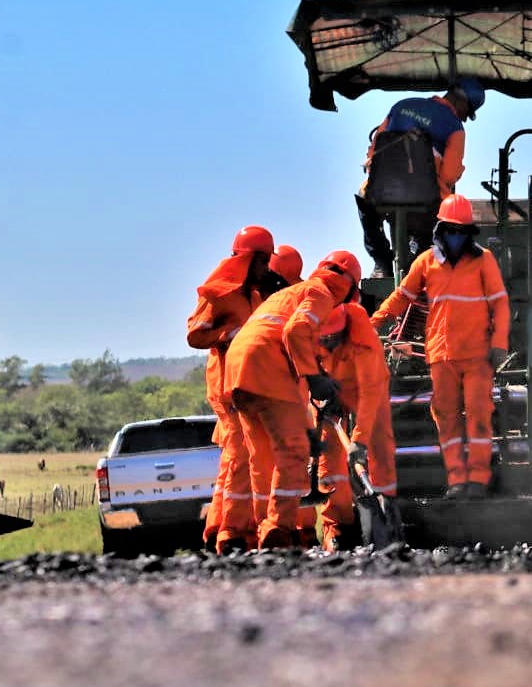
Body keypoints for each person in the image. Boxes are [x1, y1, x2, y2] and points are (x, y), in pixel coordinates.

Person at [371, 193, 509, 499]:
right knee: (446, 418)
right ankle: (458, 480)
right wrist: (373, 324)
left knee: (478, 416)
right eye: (451, 230)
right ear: (440, 231)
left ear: (470, 233)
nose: (457, 237)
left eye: (462, 231)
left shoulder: (484, 260)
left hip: (477, 355)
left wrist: (499, 343)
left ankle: (478, 481)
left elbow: (500, 302)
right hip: (442, 355)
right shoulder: (426, 262)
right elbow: (402, 296)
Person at [217, 259, 355, 552]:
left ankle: (264, 533)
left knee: (262, 458)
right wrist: (314, 378)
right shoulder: (321, 293)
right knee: (293, 452)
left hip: (238, 370)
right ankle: (279, 529)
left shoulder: (287, 294)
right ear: (348, 286)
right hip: (267, 366)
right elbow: (295, 331)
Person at [186, 225, 275, 550]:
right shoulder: (220, 294)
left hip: (246, 386)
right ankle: (232, 535)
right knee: (239, 458)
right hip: (227, 387)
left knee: (237, 461)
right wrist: (229, 334)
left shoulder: (253, 296)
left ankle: (220, 530)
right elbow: (195, 334)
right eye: (263, 262)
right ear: (249, 260)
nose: (266, 269)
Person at [355, 78, 486, 278]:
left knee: (364, 200)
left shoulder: (401, 106)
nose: (464, 117)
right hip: (426, 202)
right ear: (462, 102)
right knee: (436, 229)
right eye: (466, 113)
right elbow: (449, 174)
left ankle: (382, 264)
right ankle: (417, 269)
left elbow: (373, 151)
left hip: (381, 193)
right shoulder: (455, 127)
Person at [314, 291, 399, 550]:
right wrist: (322, 396)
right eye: (323, 338)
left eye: (333, 338)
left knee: (379, 444)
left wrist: (359, 442)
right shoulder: (307, 331)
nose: (328, 343)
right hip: (331, 393)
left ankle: (387, 506)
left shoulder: (363, 344)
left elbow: (370, 394)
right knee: (330, 458)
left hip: (366, 390)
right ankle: (336, 529)